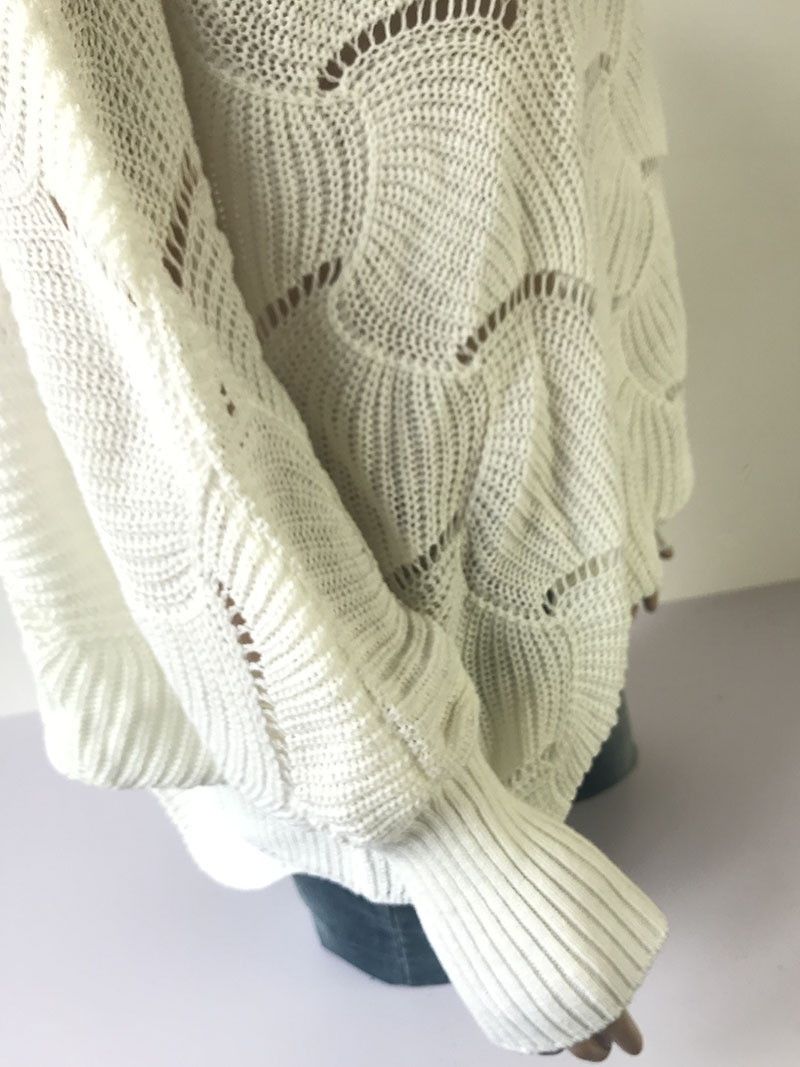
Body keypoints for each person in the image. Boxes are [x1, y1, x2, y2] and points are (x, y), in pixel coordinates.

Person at [0, 0, 693, 1058]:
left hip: (570, 585)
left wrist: (632, 462)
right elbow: (152, 373)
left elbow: (570, 104)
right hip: (370, 717)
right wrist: (451, 828)